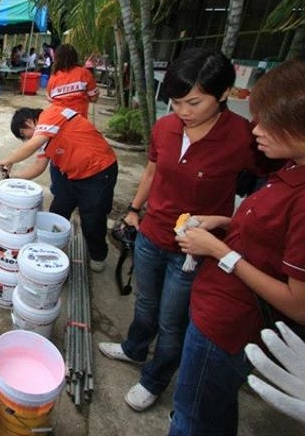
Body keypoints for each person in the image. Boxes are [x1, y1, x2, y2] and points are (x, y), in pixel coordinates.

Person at [98, 48, 266, 413]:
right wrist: (133, 211)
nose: (183, 112)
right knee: (144, 303)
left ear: (223, 95)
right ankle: (134, 348)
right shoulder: (165, 126)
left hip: (192, 251)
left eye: (193, 102)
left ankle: (154, 380)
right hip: (151, 233)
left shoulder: (244, 137)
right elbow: (152, 171)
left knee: (172, 322)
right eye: (175, 102)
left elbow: (270, 189)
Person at [168, 60, 305, 436]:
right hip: (216, 305)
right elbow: (270, 236)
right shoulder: (289, 170)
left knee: (191, 417)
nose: (256, 129)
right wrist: (225, 223)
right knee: (214, 409)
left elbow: (298, 304)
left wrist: (219, 251)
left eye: (267, 123)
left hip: (231, 325)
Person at [0, 106, 117, 272]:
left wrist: (8, 160)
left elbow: (33, 145)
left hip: (98, 172)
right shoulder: (44, 137)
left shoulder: (51, 114)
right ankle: (51, 249)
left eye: (24, 135)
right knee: (57, 211)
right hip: (71, 175)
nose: (26, 140)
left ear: (27, 123)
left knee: (92, 219)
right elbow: (39, 166)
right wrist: (14, 179)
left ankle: (98, 255)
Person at [46, 44, 99, 118]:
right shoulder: (84, 73)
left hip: (57, 120)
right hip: (78, 120)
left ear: (57, 58)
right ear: (75, 57)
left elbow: (51, 99)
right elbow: (94, 97)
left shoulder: (53, 78)